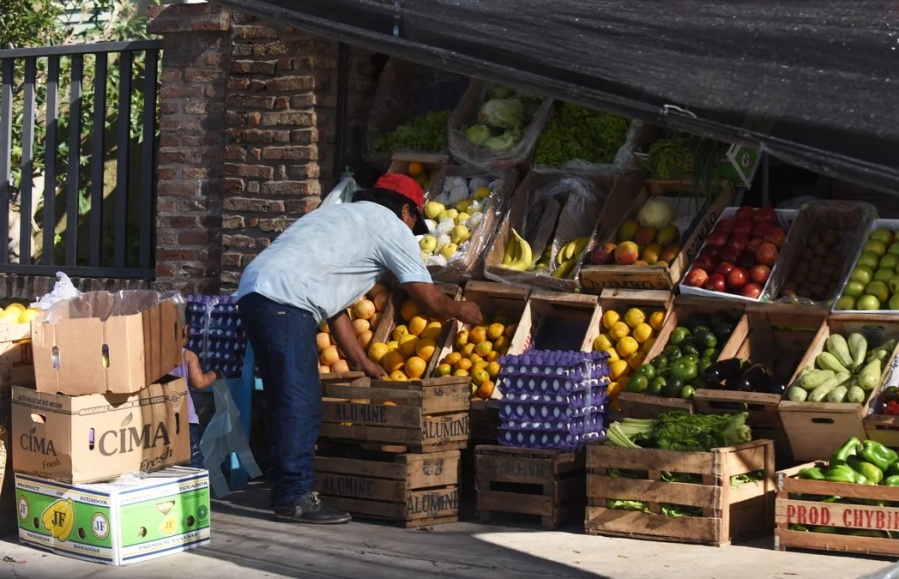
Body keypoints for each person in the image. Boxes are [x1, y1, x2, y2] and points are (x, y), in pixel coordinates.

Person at [236, 173, 483, 525]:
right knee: (300, 401)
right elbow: (428, 300)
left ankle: (285, 486)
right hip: (284, 300)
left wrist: (362, 360)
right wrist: (460, 309)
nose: (412, 230)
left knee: (282, 397)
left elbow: (333, 308)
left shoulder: (334, 215)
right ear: (406, 210)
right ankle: (294, 496)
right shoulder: (392, 227)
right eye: (414, 221)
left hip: (257, 291)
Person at [170, 326, 219, 469]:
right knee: (193, 456)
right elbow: (200, 382)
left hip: (161, 418)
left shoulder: (153, 355)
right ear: (185, 330)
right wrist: (214, 374)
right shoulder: (187, 356)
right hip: (185, 418)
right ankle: (196, 489)